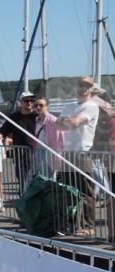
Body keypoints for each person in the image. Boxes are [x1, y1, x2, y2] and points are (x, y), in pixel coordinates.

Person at [55, 77, 101, 234]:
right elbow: (56, 125)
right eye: (81, 85)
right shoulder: (70, 106)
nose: (83, 89)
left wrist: (65, 120)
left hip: (83, 152)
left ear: (92, 89)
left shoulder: (92, 106)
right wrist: (68, 121)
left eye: (87, 86)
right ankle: (72, 223)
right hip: (68, 153)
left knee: (86, 191)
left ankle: (88, 225)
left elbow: (74, 123)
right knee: (68, 190)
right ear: (77, 87)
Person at [0, 91, 38, 192]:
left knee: (36, 178)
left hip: (36, 152)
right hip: (20, 153)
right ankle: (23, 197)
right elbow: (2, 132)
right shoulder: (14, 117)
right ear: (21, 102)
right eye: (26, 100)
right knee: (21, 177)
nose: (29, 102)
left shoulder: (37, 116)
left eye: (32, 100)